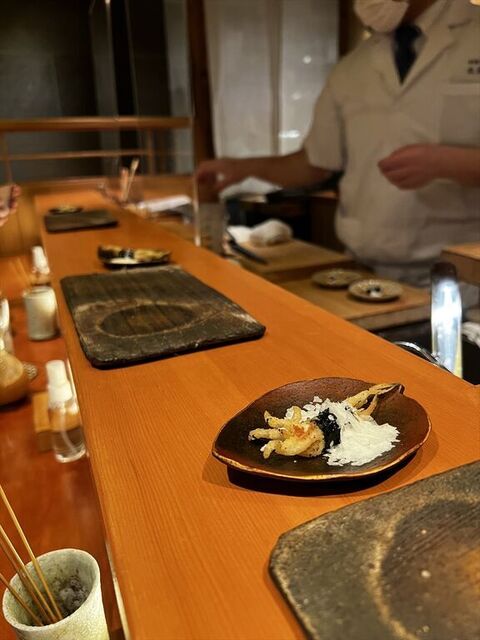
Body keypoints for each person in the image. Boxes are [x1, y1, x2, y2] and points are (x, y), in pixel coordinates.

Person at [197, 0, 480, 287]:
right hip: (364, 272)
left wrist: (449, 163)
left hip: (465, 278)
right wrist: (243, 167)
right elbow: (315, 163)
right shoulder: (351, 68)